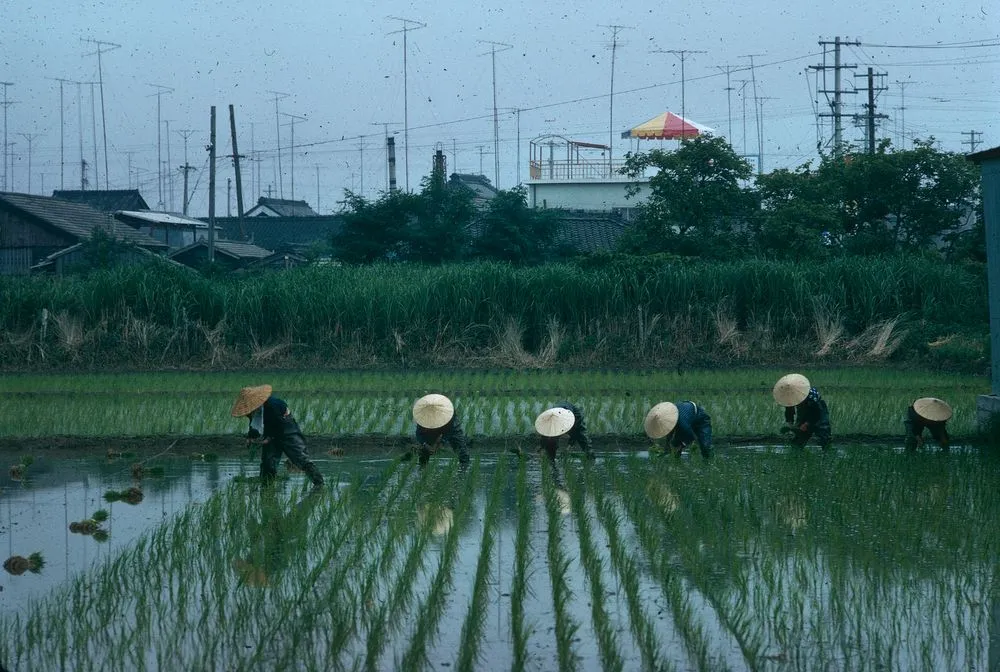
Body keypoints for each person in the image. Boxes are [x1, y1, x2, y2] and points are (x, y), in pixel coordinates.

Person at [230, 384, 325, 487]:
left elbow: (278, 423)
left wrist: (269, 438)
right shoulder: (253, 411)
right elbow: (254, 425)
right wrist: (250, 438)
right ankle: (267, 488)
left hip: (287, 430)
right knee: (268, 463)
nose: (249, 412)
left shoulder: (274, 405)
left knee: (300, 458)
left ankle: (319, 484)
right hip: (270, 431)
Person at [408, 394, 470, 467]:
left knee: (462, 451)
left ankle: (463, 469)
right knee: (424, 450)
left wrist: (441, 443)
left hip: (452, 427)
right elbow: (419, 433)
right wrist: (425, 444)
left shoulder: (448, 412)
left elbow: (449, 431)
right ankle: (423, 469)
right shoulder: (423, 415)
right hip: (430, 429)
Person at [773, 373, 831, 449]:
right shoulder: (789, 395)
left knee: (823, 432)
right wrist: (790, 424)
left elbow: (815, 413)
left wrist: (806, 424)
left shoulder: (810, 396)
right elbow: (789, 410)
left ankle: (826, 451)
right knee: (799, 438)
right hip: (803, 411)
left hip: (817, 410)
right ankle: (796, 451)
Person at [644, 401, 713, 458]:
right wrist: (667, 447)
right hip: (686, 417)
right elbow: (669, 433)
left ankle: (708, 462)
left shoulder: (681, 423)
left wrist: (682, 445)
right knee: (675, 443)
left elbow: (691, 437)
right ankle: (676, 459)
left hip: (700, 420)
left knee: (705, 446)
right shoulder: (668, 417)